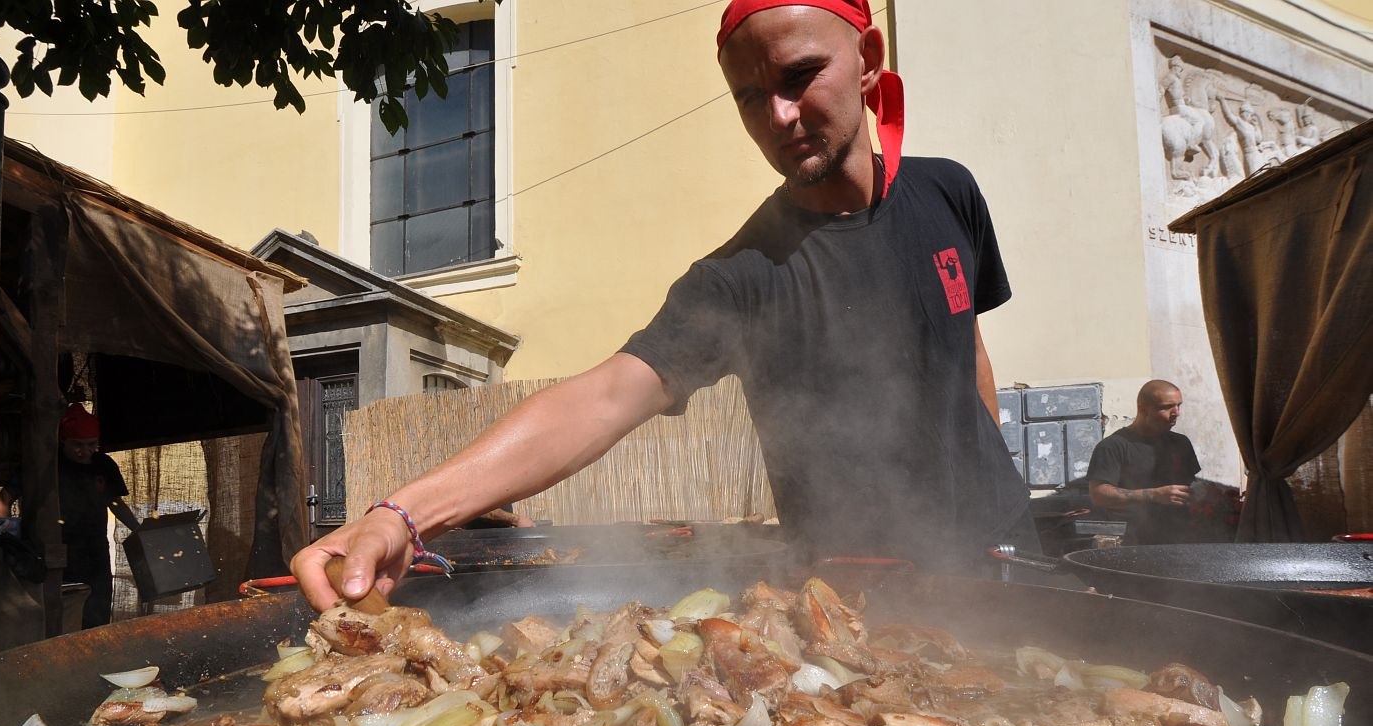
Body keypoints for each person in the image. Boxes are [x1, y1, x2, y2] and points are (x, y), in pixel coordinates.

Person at [292, 0, 1033, 609]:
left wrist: (989, 494)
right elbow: (608, 393)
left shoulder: (950, 193)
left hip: (1005, 560)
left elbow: (967, 350)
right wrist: (403, 513)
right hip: (859, 600)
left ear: (868, 61)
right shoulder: (738, 279)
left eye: (801, 75)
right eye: (749, 96)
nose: (777, 115)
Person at [0, 403, 141, 628]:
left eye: (92, 444)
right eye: (78, 445)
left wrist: (139, 530)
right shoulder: (44, 466)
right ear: (63, 441)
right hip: (50, 553)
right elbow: (4, 499)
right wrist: (5, 534)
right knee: (56, 615)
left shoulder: (103, 465)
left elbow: (114, 502)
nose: (85, 451)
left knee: (96, 615)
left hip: (94, 553)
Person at [1086, 380, 1201, 545]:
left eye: (1178, 405)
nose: (1176, 413)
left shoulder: (1181, 443)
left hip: (1177, 540)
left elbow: (1191, 486)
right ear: (1143, 409)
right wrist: (1154, 495)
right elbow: (1099, 494)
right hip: (1131, 542)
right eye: (1167, 407)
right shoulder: (1113, 446)